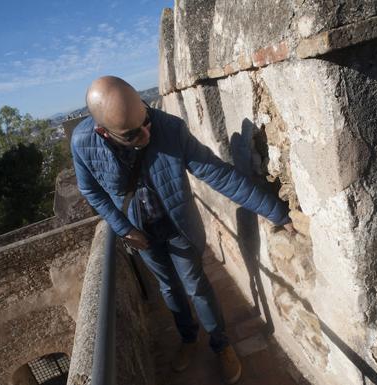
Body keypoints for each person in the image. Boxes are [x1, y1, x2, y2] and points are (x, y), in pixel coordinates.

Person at [71, 76, 293, 384]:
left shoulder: (169, 129)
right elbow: (91, 191)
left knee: (195, 286)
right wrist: (122, 228)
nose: (147, 133)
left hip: (179, 226)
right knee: (168, 289)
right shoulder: (83, 144)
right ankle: (188, 338)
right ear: (102, 132)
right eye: (133, 133)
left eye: (146, 119)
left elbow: (218, 175)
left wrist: (276, 211)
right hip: (142, 233)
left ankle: (221, 345)